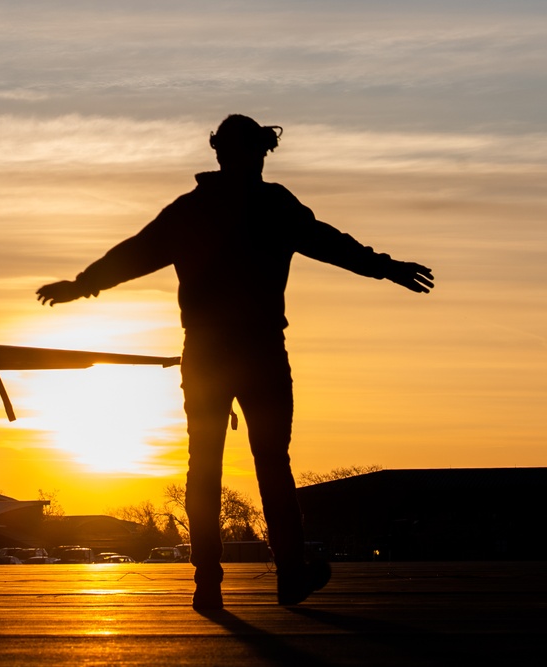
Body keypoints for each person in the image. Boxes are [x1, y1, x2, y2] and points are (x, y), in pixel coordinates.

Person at [36, 114, 434, 609]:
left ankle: (209, 585)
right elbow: (331, 244)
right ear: (257, 152)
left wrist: (84, 284)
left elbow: (137, 253)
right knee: (270, 463)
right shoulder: (272, 205)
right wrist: (386, 267)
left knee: (205, 466)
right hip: (259, 349)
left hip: (205, 352)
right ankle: (288, 575)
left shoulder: (191, 210)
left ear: (221, 152)